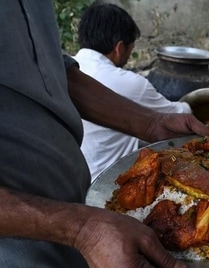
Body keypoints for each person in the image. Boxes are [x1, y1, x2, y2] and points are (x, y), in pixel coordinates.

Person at [0, 2, 209, 268]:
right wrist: (81, 228)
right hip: (21, 263)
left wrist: (151, 122)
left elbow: (49, 72)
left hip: (88, 210)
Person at [74, 3, 194, 180]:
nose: (129, 56)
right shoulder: (130, 83)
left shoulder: (67, 71)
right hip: (107, 182)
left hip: (74, 180)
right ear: (119, 47)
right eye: (130, 50)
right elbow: (178, 115)